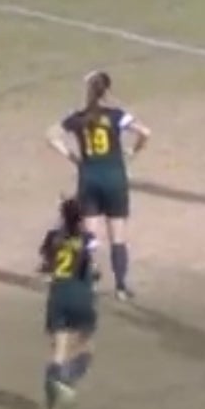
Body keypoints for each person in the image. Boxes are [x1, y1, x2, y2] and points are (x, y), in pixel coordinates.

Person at [46, 71, 150, 301]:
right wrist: (133, 151)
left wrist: (72, 158)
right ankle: (121, 287)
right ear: (107, 91)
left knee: (89, 236)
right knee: (118, 235)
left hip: (89, 177)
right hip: (114, 178)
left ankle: (87, 284)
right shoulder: (117, 115)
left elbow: (51, 135)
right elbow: (145, 132)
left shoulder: (78, 117)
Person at [38, 196, 100, 409]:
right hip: (81, 297)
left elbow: (44, 270)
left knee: (57, 354)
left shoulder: (52, 238)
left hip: (58, 297)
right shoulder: (88, 239)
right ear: (82, 219)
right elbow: (93, 269)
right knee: (86, 349)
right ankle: (65, 381)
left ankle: (50, 407)